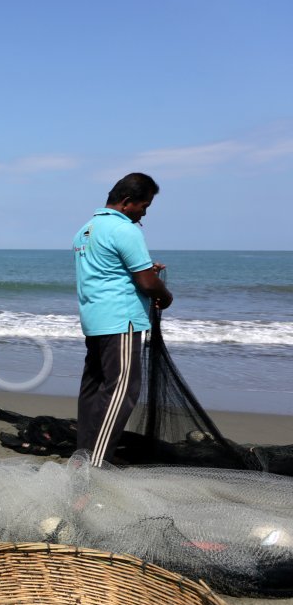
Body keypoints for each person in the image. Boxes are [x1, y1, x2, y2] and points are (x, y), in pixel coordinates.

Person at [73, 172, 173, 467]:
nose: (144, 213)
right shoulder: (125, 230)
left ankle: (82, 456)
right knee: (122, 390)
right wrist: (165, 295)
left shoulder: (86, 229)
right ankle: (96, 463)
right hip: (122, 321)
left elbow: (109, 271)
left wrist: (146, 272)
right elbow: (146, 283)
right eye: (144, 206)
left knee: (94, 388)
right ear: (128, 203)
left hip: (95, 319)